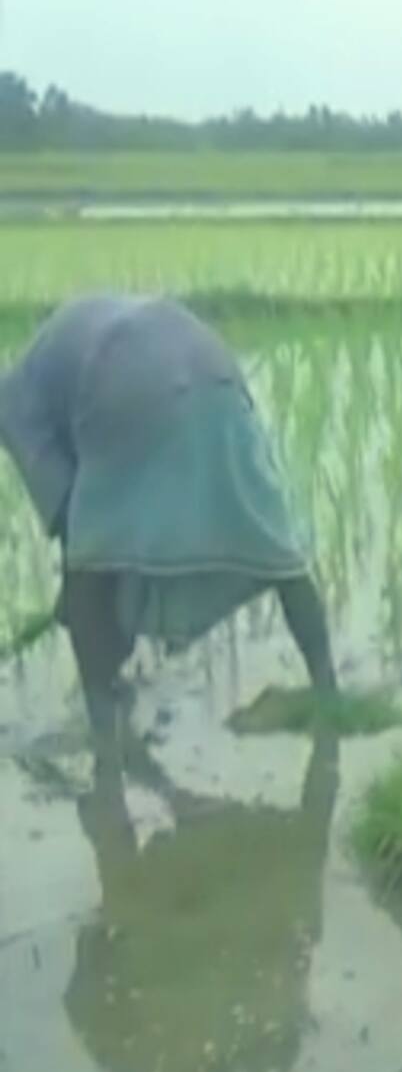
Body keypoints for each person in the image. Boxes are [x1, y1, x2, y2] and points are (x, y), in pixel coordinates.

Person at [0, 296, 336, 753]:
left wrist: (78, 600)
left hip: (122, 377)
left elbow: (69, 519)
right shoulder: (56, 342)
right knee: (273, 542)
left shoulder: (13, 401)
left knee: (89, 574)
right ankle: (328, 690)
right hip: (213, 369)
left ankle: (102, 730)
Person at [65, 734, 338, 1072]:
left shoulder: (256, 1052)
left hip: (179, 914)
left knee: (126, 880)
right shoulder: (142, 1064)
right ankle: (114, 773)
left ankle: (114, 775)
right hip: (165, 921)